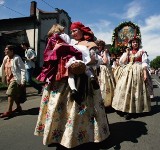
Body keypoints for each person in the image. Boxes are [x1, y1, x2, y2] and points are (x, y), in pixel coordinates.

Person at [34, 22, 110, 149]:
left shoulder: (90, 44)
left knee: (79, 109)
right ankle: (56, 135)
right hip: (63, 78)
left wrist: (85, 63)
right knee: (59, 108)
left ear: (82, 31)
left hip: (84, 79)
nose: (73, 33)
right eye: (72, 31)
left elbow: (98, 61)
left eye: (76, 31)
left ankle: (84, 136)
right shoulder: (70, 42)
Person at [111, 36, 151, 120]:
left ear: (139, 43)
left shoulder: (142, 52)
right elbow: (122, 62)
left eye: (136, 42)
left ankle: (136, 109)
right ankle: (126, 109)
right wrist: (127, 52)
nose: (135, 43)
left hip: (138, 71)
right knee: (125, 89)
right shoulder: (128, 52)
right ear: (131, 44)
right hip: (128, 71)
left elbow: (144, 63)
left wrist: (144, 74)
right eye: (133, 42)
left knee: (137, 90)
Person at [0, 45, 25, 118]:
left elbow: (22, 69)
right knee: (14, 95)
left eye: (6, 49)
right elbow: (2, 67)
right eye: (5, 49)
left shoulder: (17, 58)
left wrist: (23, 80)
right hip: (8, 79)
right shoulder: (6, 58)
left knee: (10, 93)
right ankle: (18, 107)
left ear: (12, 51)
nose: (5, 51)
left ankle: (9, 111)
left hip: (15, 79)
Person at [95, 39, 116, 107]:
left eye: (100, 45)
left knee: (105, 86)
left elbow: (105, 61)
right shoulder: (94, 52)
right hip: (96, 70)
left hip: (104, 70)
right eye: (97, 45)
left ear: (102, 46)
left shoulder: (104, 52)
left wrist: (104, 53)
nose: (99, 46)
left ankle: (106, 102)